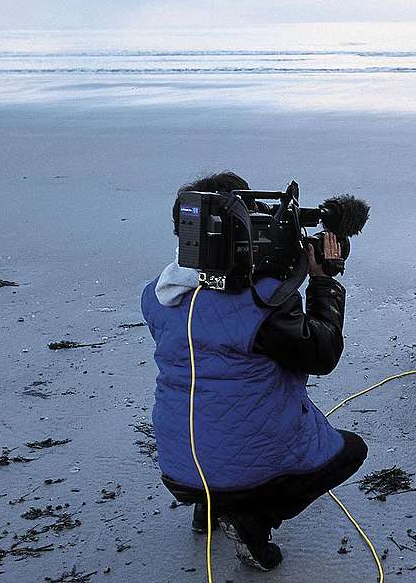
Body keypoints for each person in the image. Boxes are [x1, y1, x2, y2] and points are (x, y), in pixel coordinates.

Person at [142, 171, 367, 571]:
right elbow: (323, 354)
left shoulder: (158, 295)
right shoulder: (263, 303)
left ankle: (209, 509)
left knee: (216, 393)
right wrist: (322, 282)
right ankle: (254, 519)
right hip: (239, 467)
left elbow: (214, 331)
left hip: (179, 466)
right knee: (350, 451)